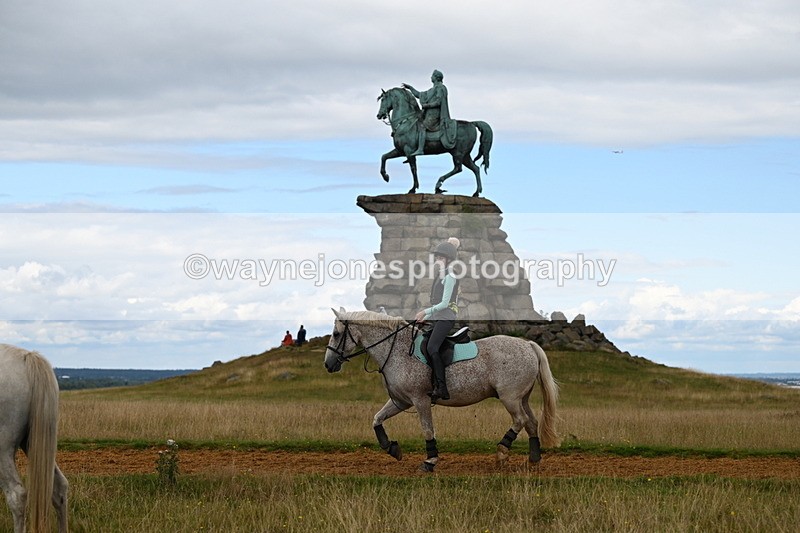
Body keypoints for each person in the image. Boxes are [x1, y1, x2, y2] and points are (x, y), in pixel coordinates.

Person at [414, 237, 461, 401]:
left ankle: (442, 388)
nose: (438, 261)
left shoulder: (450, 276)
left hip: (447, 318)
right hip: (439, 317)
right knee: (425, 344)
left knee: (433, 347)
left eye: (441, 258)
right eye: (438, 258)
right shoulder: (441, 275)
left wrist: (424, 312)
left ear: (448, 260)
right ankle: (432, 382)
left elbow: (444, 304)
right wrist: (424, 317)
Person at [402, 69, 457, 155]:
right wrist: (410, 88)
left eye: (432, 76)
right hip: (429, 114)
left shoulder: (440, 88)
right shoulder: (432, 89)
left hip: (435, 115)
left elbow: (439, 102)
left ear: (436, 78)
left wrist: (427, 106)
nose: (431, 77)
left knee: (422, 126)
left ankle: (420, 149)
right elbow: (419, 95)